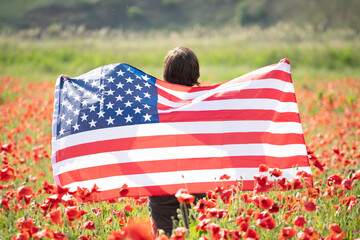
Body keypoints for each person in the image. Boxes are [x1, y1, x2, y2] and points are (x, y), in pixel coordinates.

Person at [148, 47, 206, 236]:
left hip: (161, 188)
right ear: (195, 73)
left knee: (163, 235)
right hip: (195, 187)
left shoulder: (151, 103)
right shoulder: (207, 104)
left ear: (166, 73)